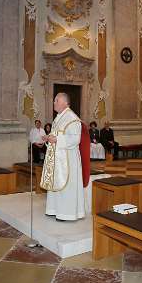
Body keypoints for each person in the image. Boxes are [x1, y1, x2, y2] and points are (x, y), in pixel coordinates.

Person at [40, 93, 85, 221]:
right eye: (54, 100)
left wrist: (56, 139)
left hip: (68, 159)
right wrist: (49, 137)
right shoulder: (59, 117)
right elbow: (56, 135)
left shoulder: (72, 118)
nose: (54, 102)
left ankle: (67, 213)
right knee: (56, 182)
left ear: (65, 103)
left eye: (56, 100)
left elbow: (75, 139)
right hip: (57, 157)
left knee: (67, 186)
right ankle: (54, 209)